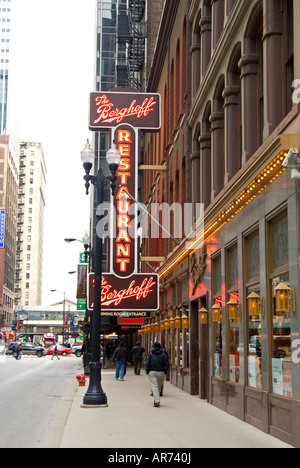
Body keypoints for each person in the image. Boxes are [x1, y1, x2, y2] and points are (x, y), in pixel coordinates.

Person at [145, 342, 169, 407]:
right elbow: (166, 363)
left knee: (154, 386)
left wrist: (147, 371)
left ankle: (157, 401)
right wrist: (165, 371)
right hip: (161, 372)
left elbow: (147, 363)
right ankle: (156, 400)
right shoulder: (163, 354)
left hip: (152, 372)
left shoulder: (150, 354)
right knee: (158, 386)